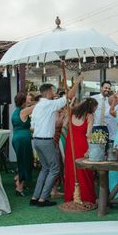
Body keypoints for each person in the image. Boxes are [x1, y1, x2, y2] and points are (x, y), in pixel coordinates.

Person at [30, 77, 81, 207]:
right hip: (46, 141)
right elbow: (69, 96)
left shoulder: (37, 106)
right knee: (54, 169)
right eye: (53, 91)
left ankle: (35, 197)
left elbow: (33, 126)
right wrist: (77, 82)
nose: (55, 94)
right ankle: (43, 199)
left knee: (45, 169)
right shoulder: (49, 103)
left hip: (37, 140)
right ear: (48, 93)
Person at [64, 97, 97, 205]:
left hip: (70, 143)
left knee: (71, 169)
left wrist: (69, 136)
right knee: (84, 169)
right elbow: (88, 134)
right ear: (92, 107)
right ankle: (85, 196)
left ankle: (71, 196)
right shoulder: (89, 116)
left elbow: (64, 125)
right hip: (82, 144)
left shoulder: (72, 113)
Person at [11, 91, 35, 197]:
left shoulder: (16, 111)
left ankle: (18, 180)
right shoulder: (24, 111)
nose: (29, 99)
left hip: (18, 138)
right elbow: (36, 107)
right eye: (27, 98)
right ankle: (19, 187)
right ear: (23, 101)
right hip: (23, 140)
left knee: (22, 161)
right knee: (25, 163)